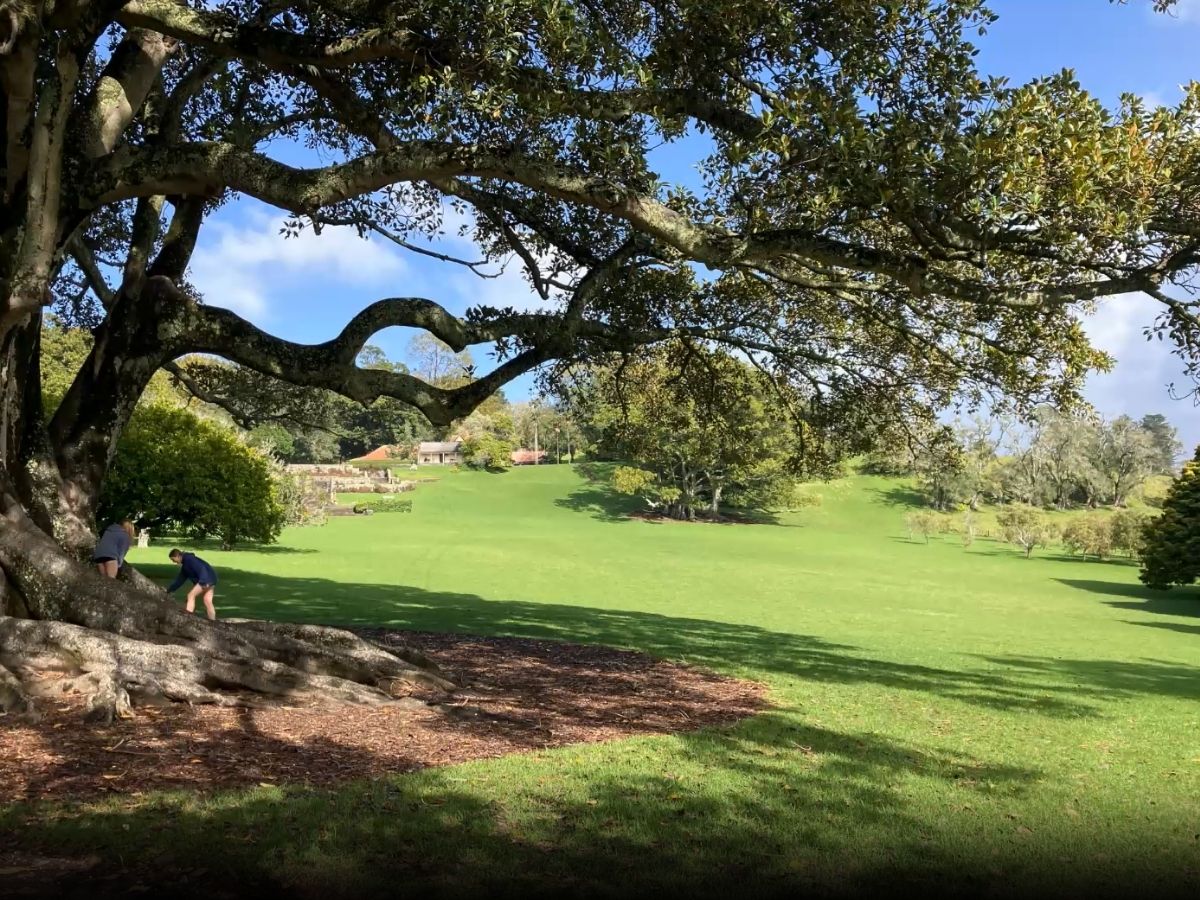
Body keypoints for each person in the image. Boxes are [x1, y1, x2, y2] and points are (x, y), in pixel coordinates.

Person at [166, 549, 218, 620]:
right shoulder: (185, 566)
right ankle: (213, 621)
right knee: (207, 600)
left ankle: (188, 619)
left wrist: (203, 582)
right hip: (212, 579)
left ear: (178, 556)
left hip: (206, 580)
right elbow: (179, 581)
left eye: (173, 559)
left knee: (190, 595)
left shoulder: (189, 560)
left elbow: (202, 568)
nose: (173, 562)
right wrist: (169, 590)